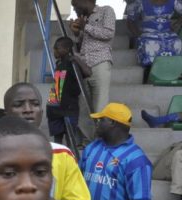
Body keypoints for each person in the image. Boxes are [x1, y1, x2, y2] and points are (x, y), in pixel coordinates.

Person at [70, 0, 116, 138]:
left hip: (100, 63)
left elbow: (108, 33)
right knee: (84, 109)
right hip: (84, 67)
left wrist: (86, 27)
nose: (74, 8)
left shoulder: (106, 10)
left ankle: (100, 141)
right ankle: (90, 141)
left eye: (75, 4)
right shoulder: (84, 19)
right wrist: (76, 34)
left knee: (100, 107)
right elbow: (81, 46)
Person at [46, 36, 89, 146]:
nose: (54, 51)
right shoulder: (58, 64)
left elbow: (88, 72)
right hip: (55, 107)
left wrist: (77, 59)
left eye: (57, 48)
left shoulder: (72, 63)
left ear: (66, 49)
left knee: (70, 138)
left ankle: (69, 158)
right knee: (57, 139)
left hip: (68, 107)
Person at [126, 0, 182, 80]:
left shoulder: (173, 2)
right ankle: (148, 72)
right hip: (148, 34)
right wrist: (138, 35)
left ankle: (175, 71)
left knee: (177, 42)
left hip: (168, 33)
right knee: (148, 43)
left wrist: (178, 23)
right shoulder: (141, 2)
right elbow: (130, 21)